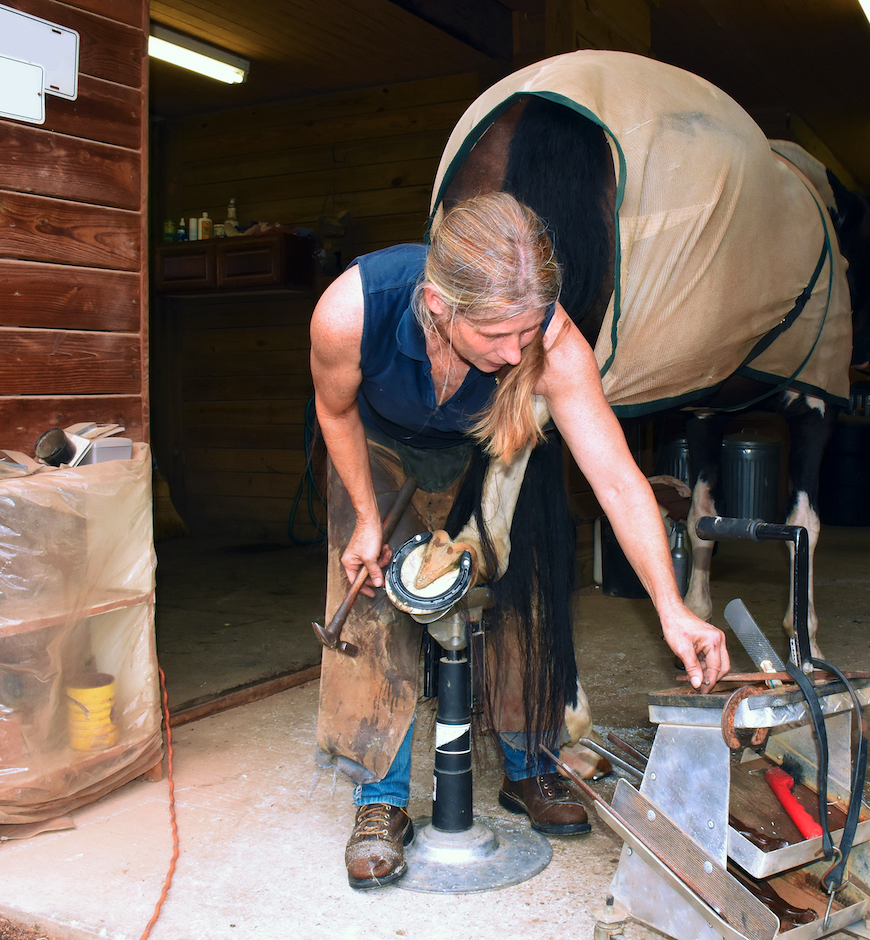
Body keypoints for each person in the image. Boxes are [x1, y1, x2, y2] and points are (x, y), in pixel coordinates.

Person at [310, 192, 730, 890]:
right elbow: (335, 407)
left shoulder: (549, 347)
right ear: (440, 306)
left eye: (528, 331)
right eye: (497, 336)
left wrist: (672, 606)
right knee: (373, 600)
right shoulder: (351, 312)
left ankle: (530, 763)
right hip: (381, 446)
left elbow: (620, 482)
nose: (515, 353)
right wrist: (366, 515)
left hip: (491, 441)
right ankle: (380, 801)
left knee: (522, 586)